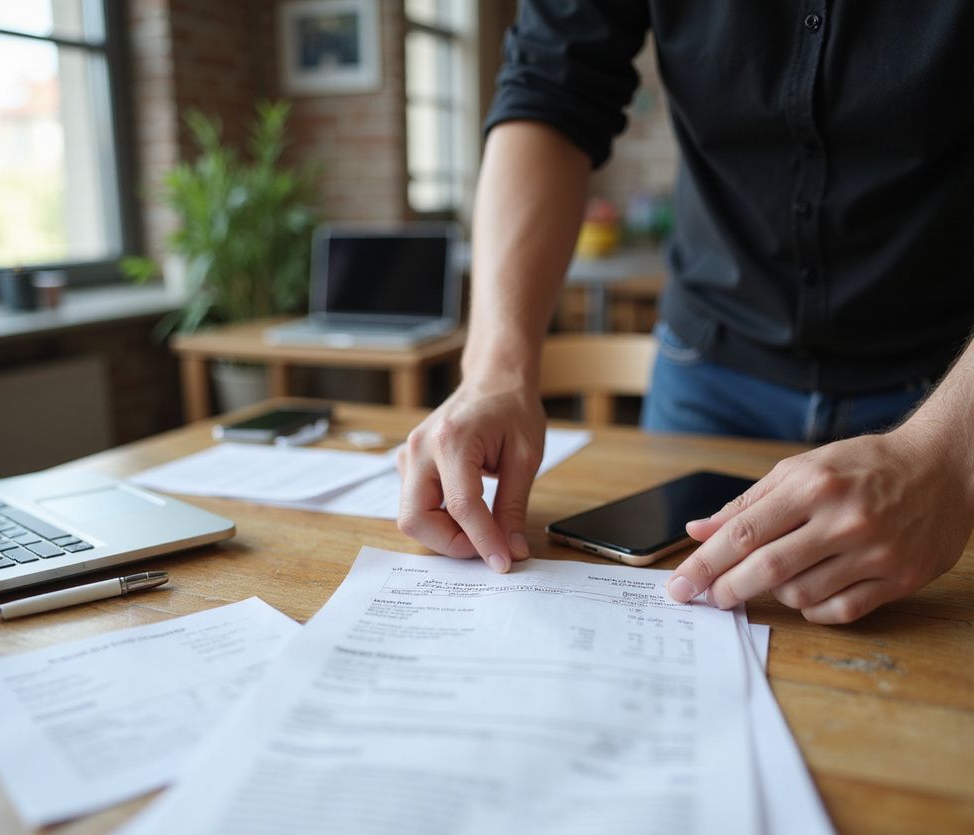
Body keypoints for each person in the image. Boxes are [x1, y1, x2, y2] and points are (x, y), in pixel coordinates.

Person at [397, 1, 974, 625]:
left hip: (949, 384)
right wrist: (493, 372)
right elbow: (548, 89)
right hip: (707, 369)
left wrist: (950, 458)